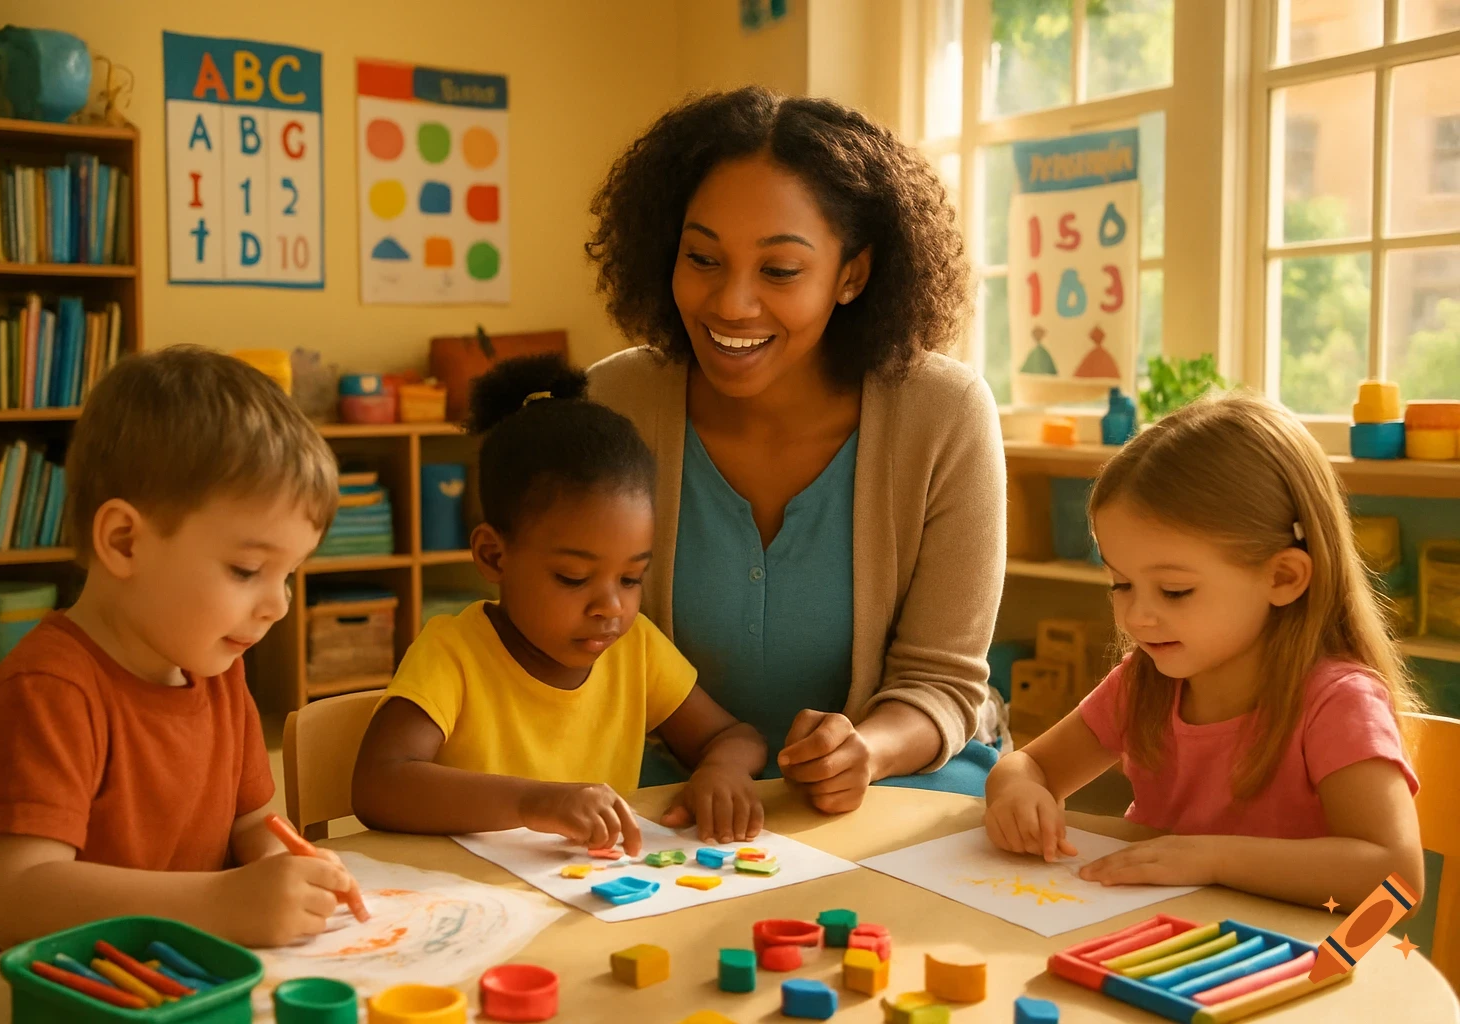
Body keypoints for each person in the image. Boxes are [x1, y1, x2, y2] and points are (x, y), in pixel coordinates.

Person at [585, 86, 1006, 811]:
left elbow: (942, 682)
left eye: (779, 271)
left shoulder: (945, 415)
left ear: (853, 274)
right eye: (702, 258)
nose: (731, 304)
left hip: (893, 774)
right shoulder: (612, 406)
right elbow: (569, 648)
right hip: (665, 775)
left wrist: (864, 751)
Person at [0, 347, 350, 993]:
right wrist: (227, 902)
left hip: (175, 988)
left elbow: (253, 822)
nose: (278, 605)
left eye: (290, 574)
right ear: (124, 542)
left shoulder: (216, 668)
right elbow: (18, 897)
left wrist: (286, 870)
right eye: (248, 570)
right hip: (40, 1004)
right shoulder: (48, 690)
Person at [983, 392, 1425, 912]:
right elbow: (1029, 765)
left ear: (1283, 577)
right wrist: (1017, 794)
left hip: (1279, 965)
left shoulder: (1338, 704)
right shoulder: (1145, 681)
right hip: (1144, 936)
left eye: (1174, 591)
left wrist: (1209, 859)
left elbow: (1396, 879)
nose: (1136, 617)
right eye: (1120, 584)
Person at [352, 355, 767, 851]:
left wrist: (722, 770)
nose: (610, 606)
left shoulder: (634, 650)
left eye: (632, 577)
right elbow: (379, 784)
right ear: (493, 555)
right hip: (477, 902)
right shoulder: (453, 653)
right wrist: (534, 803)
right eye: (573, 577)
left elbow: (735, 736)